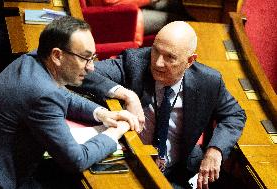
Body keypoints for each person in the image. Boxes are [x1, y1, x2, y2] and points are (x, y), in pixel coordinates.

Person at [76, 21, 247, 189]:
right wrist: (128, 95)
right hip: (132, 164)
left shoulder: (208, 81)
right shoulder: (135, 62)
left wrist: (215, 150)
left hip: (179, 170)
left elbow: (235, 114)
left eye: (170, 57)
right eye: (156, 51)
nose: (157, 63)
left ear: (190, 61)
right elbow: (83, 72)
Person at [0, 16, 141, 189]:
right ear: (57, 55)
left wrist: (104, 114)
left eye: (93, 57)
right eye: (85, 58)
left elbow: (64, 96)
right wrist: (117, 131)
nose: (91, 67)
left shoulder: (33, 59)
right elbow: (77, 159)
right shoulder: (43, 93)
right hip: (5, 180)